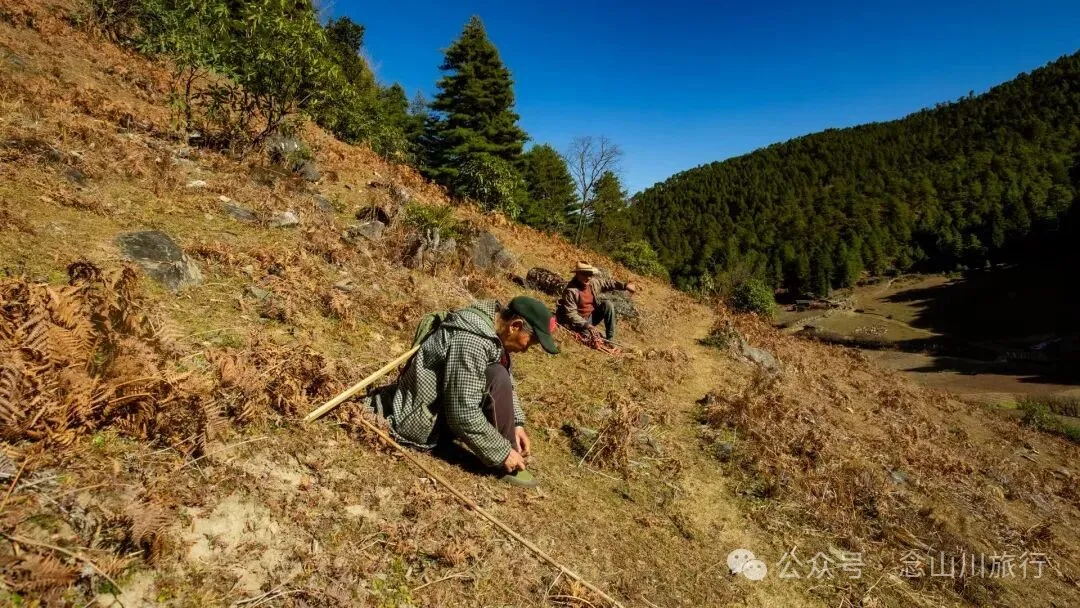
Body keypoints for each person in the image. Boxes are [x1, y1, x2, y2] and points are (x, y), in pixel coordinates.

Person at [365, 297, 558, 487]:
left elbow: (504, 382)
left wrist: (516, 424)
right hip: (418, 422)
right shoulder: (472, 341)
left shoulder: (494, 335)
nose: (525, 351)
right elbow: (462, 411)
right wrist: (501, 453)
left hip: (440, 411)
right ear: (515, 326)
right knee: (496, 375)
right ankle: (508, 461)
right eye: (529, 343)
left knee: (498, 374)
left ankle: (511, 452)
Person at [556, 261, 637, 343]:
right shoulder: (571, 291)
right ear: (577, 274)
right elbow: (571, 314)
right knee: (589, 338)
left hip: (591, 317)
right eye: (585, 274)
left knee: (608, 305)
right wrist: (587, 325)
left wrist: (625, 286)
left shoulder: (593, 283)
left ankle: (610, 339)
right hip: (579, 322)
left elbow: (608, 283)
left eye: (590, 274)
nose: (588, 277)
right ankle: (587, 332)